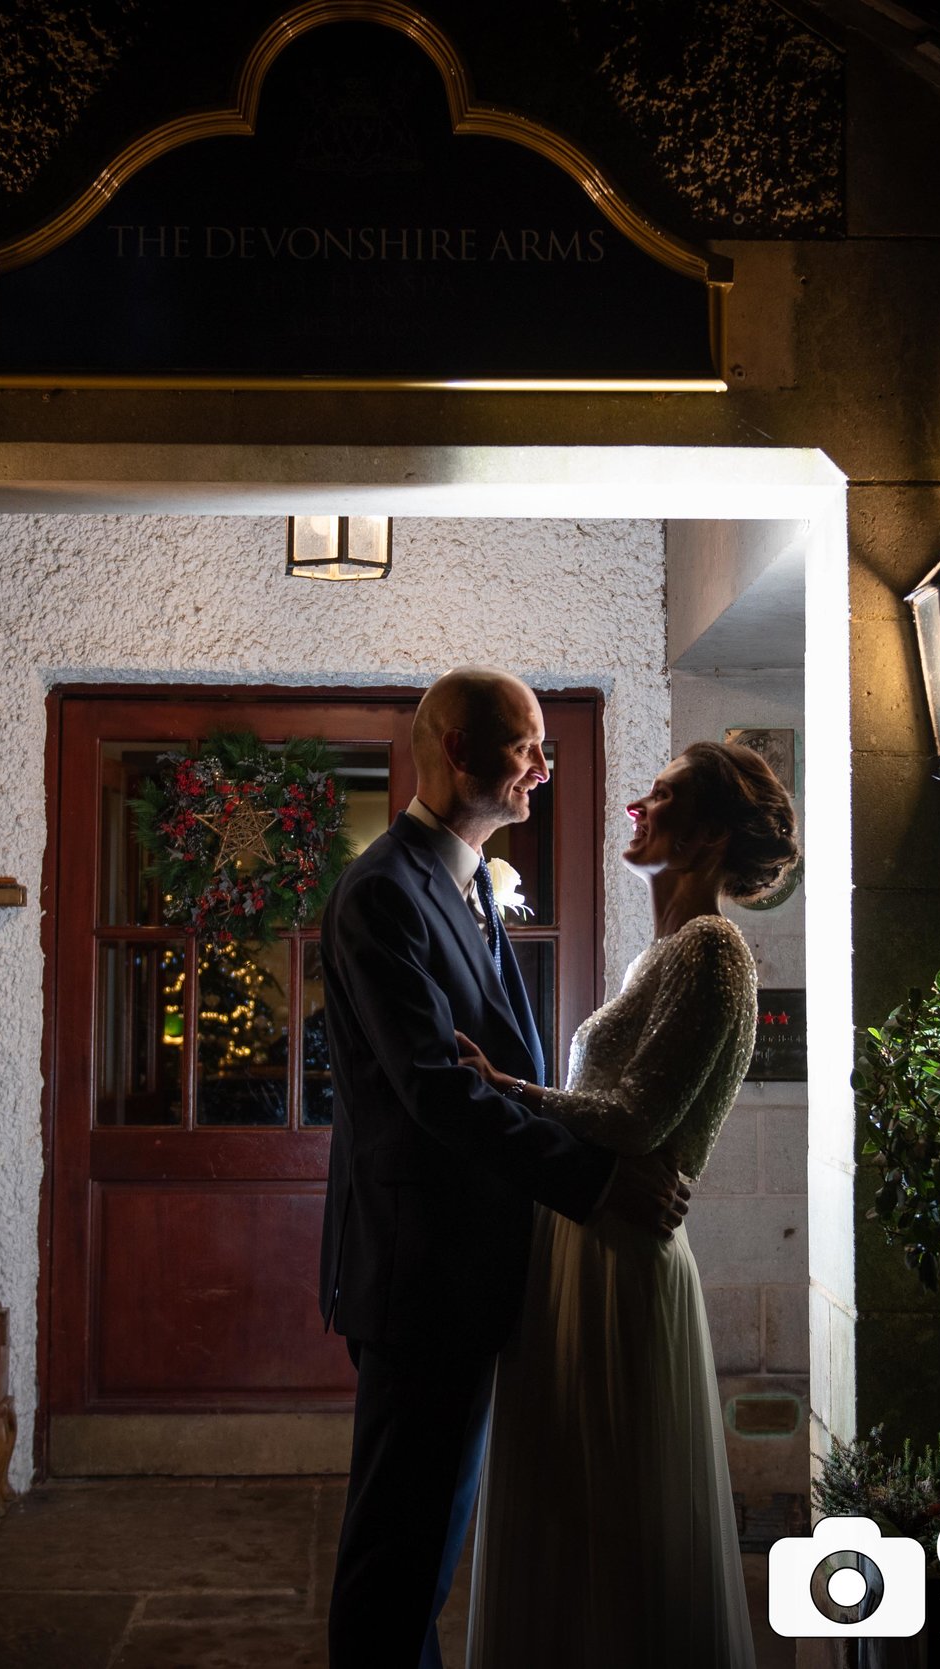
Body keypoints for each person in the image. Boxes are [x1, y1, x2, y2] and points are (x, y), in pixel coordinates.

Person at [319, 668, 692, 1668]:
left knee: (428, 1549)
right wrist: (599, 1182)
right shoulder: (383, 894)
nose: (542, 766)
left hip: (471, 1267)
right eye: (525, 747)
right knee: (398, 1560)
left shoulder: (469, 884)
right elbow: (437, 1091)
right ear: (455, 752)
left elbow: (502, 1073)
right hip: (420, 1274)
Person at [460, 739, 799, 1668]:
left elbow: (635, 1117)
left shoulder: (714, 950)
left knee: (613, 1512)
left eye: (663, 795)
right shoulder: (662, 955)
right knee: (574, 1505)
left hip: (619, 1256)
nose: (634, 807)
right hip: (583, 1242)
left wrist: (506, 1089)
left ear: (710, 836)